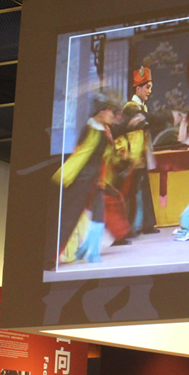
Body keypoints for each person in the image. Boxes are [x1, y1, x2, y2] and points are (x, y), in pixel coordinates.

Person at [52, 93, 125, 264]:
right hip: (81, 181)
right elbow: (80, 155)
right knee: (69, 218)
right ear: (100, 112)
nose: (112, 115)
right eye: (109, 111)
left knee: (99, 215)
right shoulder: (91, 130)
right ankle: (52, 255)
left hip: (96, 180)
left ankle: (92, 250)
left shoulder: (104, 130)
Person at [115, 66, 162, 239]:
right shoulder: (131, 108)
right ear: (138, 88)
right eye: (147, 87)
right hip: (131, 157)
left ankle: (146, 224)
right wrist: (127, 156)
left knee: (142, 191)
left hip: (140, 157)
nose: (149, 91)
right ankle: (126, 229)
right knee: (130, 194)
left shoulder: (142, 107)